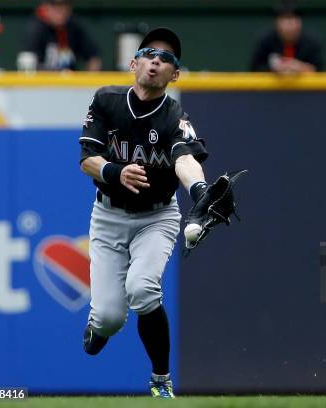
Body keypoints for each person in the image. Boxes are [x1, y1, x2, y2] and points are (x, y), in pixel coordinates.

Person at [79, 27, 210, 398]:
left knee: (143, 289)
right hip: (108, 216)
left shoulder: (174, 115)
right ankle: (98, 327)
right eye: (149, 53)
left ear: (175, 74)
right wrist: (115, 171)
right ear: (133, 63)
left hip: (157, 216)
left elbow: (185, 159)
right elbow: (87, 159)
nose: (157, 60)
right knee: (109, 317)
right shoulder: (106, 99)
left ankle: (160, 380)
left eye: (167, 57)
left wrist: (198, 189)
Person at [21, 0, 101, 71]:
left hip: (71, 83)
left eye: (64, 5)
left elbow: (93, 58)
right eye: (55, 6)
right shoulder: (36, 28)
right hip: (44, 84)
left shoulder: (74, 25)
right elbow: (30, 66)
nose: (60, 11)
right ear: (46, 7)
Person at [249, 2, 323, 73]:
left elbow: (320, 70)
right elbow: (255, 68)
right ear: (277, 23)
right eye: (285, 19)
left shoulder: (311, 42)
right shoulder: (265, 41)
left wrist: (300, 67)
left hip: (305, 86)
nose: (290, 26)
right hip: (273, 85)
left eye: (293, 19)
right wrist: (275, 69)